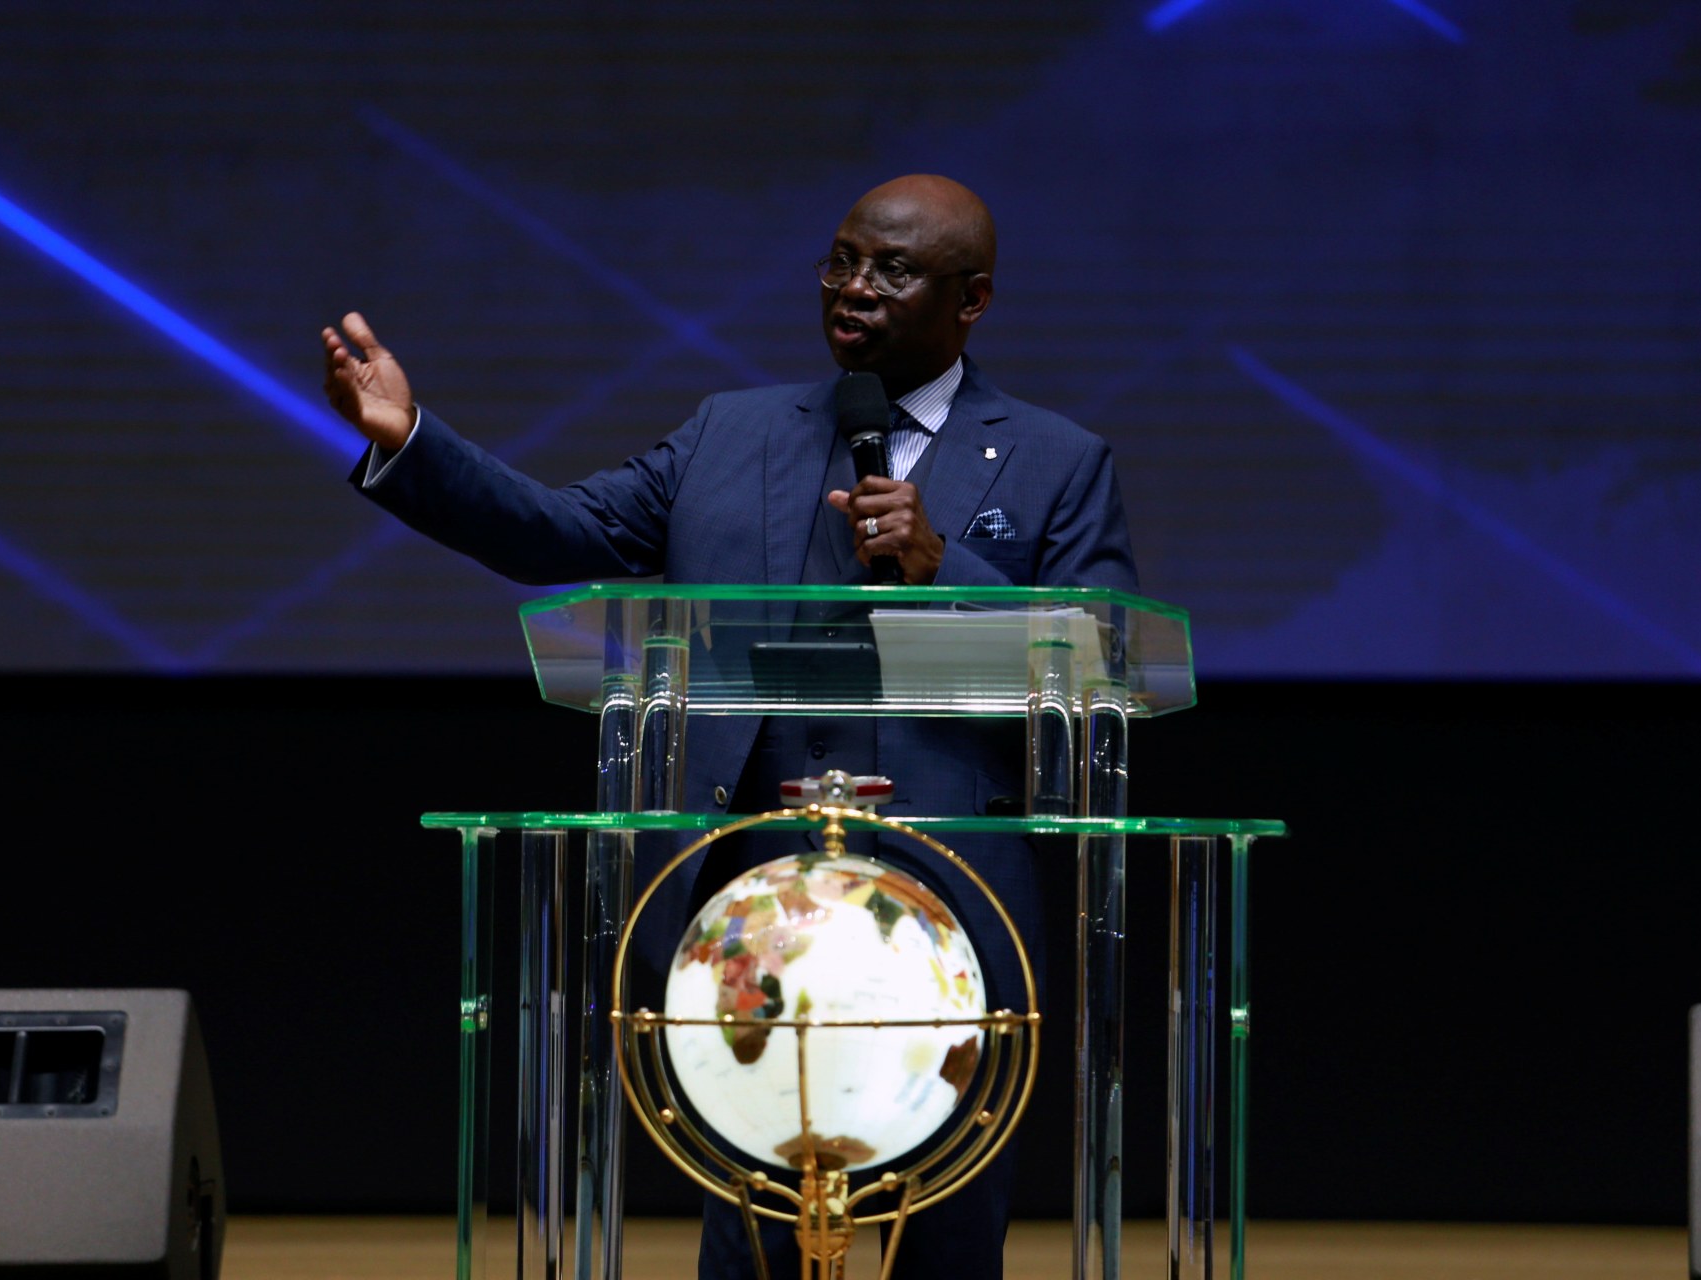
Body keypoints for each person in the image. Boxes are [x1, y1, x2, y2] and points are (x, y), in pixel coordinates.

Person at [323, 174, 1137, 1280]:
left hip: (954, 880)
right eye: (841, 260)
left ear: (972, 298)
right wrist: (412, 437)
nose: (853, 287)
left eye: (891, 269)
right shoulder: (731, 432)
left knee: (948, 1206)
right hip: (748, 877)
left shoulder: (1056, 457)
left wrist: (950, 567)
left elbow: (1099, 661)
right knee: (754, 1202)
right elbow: (567, 531)